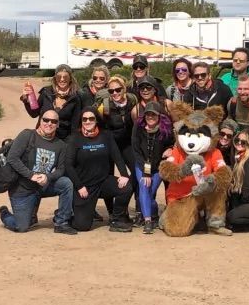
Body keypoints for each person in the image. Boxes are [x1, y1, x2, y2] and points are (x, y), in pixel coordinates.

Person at [0, 110, 77, 235]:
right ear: (40, 121)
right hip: (22, 190)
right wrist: (31, 175)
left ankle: (62, 222)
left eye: (54, 121)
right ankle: (5, 214)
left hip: (42, 186)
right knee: (22, 226)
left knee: (66, 183)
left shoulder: (61, 145)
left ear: (58, 125)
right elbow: (12, 158)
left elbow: (61, 169)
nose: (49, 123)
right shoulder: (27, 135)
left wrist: (48, 177)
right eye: (46, 120)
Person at [65, 107, 133, 232]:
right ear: (81, 121)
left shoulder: (106, 135)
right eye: (84, 119)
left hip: (103, 182)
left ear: (96, 120)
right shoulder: (75, 138)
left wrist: (124, 174)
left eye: (91, 118)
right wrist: (79, 186)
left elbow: (117, 156)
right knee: (82, 226)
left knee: (126, 187)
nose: (88, 121)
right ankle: (66, 214)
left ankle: (117, 219)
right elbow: (68, 165)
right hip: (85, 187)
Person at [99, 75, 139, 220]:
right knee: (107, 176)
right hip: (110, 145)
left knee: (137, 173)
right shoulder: (105, 106)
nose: (115, 93)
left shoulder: (133, 100)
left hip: (127, 144)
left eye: (118, 89)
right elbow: (95, 121)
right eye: (111, 91)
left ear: (124, 89)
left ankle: (135, 208)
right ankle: (112, 212)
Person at [132, 101, 175, 234]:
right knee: (144, 186)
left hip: (158, 166)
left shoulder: (166, 130)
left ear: (159, 116)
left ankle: (154, 213)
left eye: (154, 115)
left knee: (149, 194)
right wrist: (146, 173)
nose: (150, 117)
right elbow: (136, 151)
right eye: (148, 114)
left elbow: (172, 144)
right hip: (142, 164)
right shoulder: (138, 128)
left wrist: (170, 149)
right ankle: (148, 221)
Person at [21, 64, 82, 140]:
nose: (62, 79)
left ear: (70, 78)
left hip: (62, 140)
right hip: (42, 137)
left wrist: (70, 144)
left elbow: (75, 126)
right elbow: (34, 113)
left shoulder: (75, 98)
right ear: (55, 78)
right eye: (59, 77)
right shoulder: (46, 92)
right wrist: (26, 101)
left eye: (65, 77)